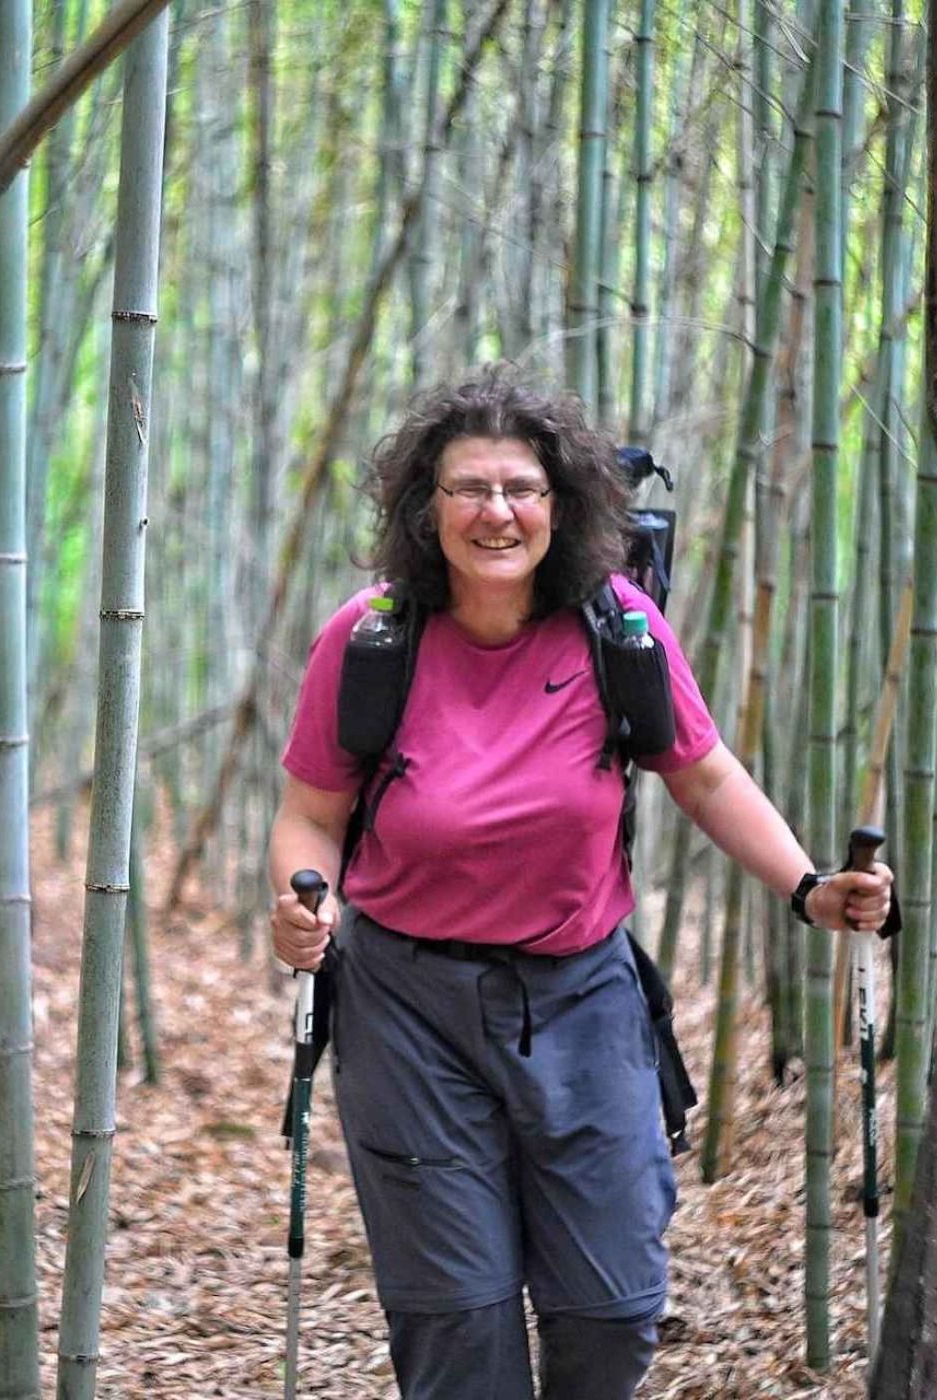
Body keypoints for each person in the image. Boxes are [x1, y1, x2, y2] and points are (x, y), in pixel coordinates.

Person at [268, 371, 893, 1400]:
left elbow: (702, 771)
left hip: (580, 994)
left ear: (562, 506)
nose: (495, 511)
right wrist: (304, 905)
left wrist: (808, 885)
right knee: (457, 1320)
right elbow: (311, 811)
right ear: (427, 508)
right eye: (467, 487)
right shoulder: (370, 635)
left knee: (609, 1305)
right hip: (406, 1009)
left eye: (521, 487)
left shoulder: (620, 628)